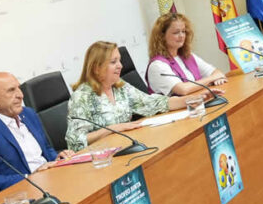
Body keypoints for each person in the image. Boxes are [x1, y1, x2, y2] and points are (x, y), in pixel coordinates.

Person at [65, 41, 210, 151]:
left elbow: (153, 103)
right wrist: (112, 129)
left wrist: (193, 99)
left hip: (127, 148)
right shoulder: (82, 97)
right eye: (113, 62)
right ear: (96, 68)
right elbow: (75, 141)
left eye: (119, 60)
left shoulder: (120, 87)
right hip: (102, 159)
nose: (120, 66)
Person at [0, 72, 75, 191]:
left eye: (19, 88)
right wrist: (29, 177)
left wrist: (57, 158)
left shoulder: (29, 114)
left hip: (54, 178)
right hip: (26, 191)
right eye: (11, 90)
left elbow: (46, 149)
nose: (20, 95)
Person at [145, 12, 227, 96]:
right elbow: (183, 89)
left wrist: (217, 77)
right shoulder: (157, 65)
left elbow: (216, 72)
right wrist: (212, 78)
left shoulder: (187, 56)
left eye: (183, 31)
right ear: (162, 36)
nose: (181, 36)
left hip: (199, 100)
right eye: (176, 32)